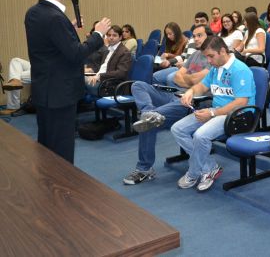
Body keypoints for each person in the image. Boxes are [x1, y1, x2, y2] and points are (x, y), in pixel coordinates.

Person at [24, 0, 111, 163]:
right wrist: (98, 34)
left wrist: (67, 29)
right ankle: (60, 183)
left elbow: (47, 43)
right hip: (60, 94)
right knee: (61, 150)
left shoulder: (34, 12)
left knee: (46, 146)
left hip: (44, 90)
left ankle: (47, 180)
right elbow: (76, 54)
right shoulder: (55, 17)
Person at [122, 25, 213, 185]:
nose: (196, 39)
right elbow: (176, 77)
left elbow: (193, 80)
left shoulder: (213, 57)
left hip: (191, 102)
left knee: (148, 123)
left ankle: (144, 169)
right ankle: (149, 111)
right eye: (194, 36)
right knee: (138, 85)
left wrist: (187, 79)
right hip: (174, 95)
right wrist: (189, 79)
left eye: (200, 35)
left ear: (210, 37)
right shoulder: (195, 54)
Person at [171, 37, 256, 192]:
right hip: (216, 112)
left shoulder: (240, 70)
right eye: (207, 57)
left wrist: (212, 113)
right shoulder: (216, 68)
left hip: (238, 116)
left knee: (200, 135)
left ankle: (193, 172)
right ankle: (209, 167)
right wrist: (190, 92)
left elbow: (241, 102)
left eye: (211, 56)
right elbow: (201, 86)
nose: (209, 61)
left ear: (222, 51)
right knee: (178, 129)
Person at [84, 25, 132, 96]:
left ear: (120, 37)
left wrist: (99, 76)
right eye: (109, 35)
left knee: (78, 80)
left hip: (110, 86)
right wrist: (94, 74)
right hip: (100, 80)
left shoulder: (124, 52)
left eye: (114, 35)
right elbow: (102, 68)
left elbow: (121, 73)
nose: (111, 37)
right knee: (77, 78)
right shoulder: (107, 50)